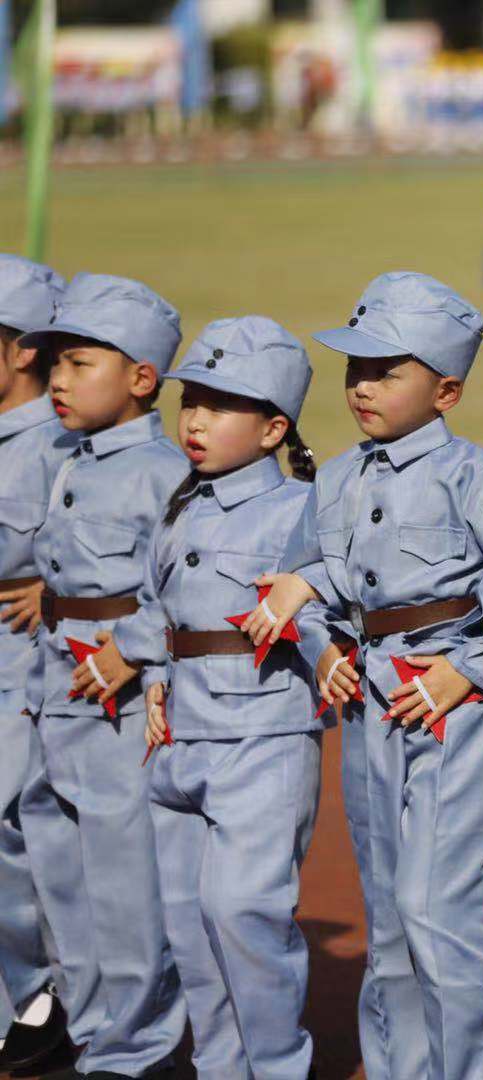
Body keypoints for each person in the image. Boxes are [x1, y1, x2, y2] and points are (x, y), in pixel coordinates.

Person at [250, 271, 483, 1080]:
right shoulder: (334, 478)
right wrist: (323, 648)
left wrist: (469, 670)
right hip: (369, 705)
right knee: (387, 916)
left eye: (386, 370)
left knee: (437, 912)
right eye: (354, 368)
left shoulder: (480, 480)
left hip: (451, 712)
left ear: (446, 390)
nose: (362, 385)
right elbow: (300, 586)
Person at [133, 317, 327, 1079]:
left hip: (263, 736)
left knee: (243, 912)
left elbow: (323, 607)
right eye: (192, 401)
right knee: (189, 925)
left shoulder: (301, 510)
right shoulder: (183, 504)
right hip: (180, 737)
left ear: (274, 427)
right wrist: (152, 678)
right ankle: (221, 1067)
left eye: (221, 405)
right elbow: (157, 604)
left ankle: (278, 1066)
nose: (197, 419)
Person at [19, 273, 189, 1079]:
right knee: (61, 869)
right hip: (57, 687)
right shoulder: (68, 458)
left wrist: (136, 644)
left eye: (79, 362)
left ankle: (142, 1047)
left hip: (121, 696)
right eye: (53, 362)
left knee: (125, 879)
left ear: (141, 380)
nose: (57, 379)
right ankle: (92, 1037)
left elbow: (190, 578)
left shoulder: (163, 471)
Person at [0, 256, 70, 1074]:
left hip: (36, 670)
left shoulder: (62, 444)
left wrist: (56, 587)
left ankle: (45, 1000)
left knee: (25, 831)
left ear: (23, 350)